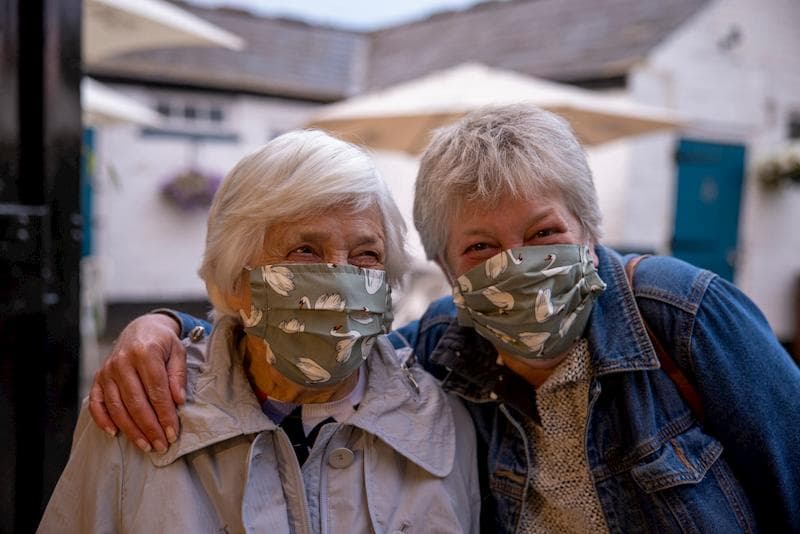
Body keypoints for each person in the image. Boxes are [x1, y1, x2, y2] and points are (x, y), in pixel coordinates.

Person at [89, 105, 800, 532]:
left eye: (545, 233)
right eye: (481, 246)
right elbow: (315, 341)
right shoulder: (442, 347)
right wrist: (163, 329)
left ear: (590, 231)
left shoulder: (686, 316)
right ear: (448, 270)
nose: (515, 263)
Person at [39, 130, 480, 533]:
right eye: (305, 250)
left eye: (366, 254)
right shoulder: (137, 410)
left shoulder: (441, 416)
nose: (342, 277)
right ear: (235, 279)